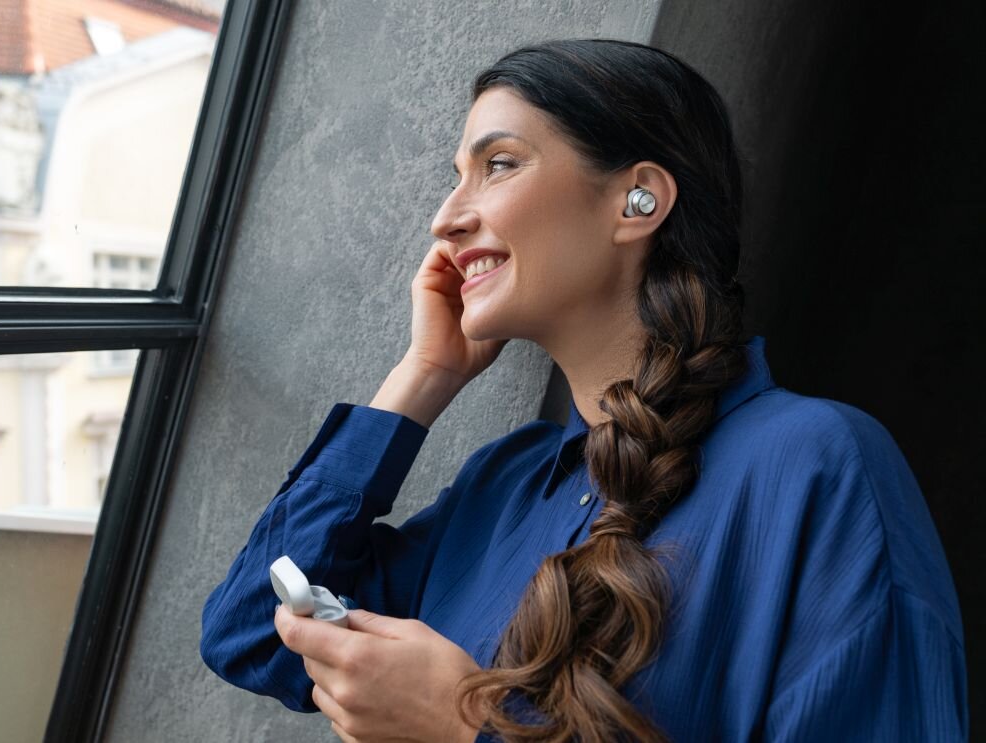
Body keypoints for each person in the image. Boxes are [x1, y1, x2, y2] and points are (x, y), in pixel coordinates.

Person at [200, 39, 968, 742]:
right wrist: (422, 377)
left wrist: (469, 725)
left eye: (498, 164)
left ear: (638, 201)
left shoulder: (820, 468)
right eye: (455, 178)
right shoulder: (504, 484)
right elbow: (250, 633)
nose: (445, 219)